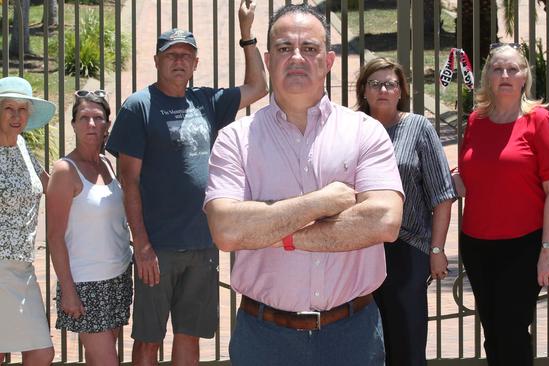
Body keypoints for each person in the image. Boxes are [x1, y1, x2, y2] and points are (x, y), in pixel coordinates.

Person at [203, 4, 404, 366]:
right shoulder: (234, 139)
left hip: (352, 336)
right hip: (264, 339)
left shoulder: (364, 132)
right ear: (267, 59)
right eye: (284, 48)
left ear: (328, 61)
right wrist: (322, 202)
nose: (297, 57)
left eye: (309, 48)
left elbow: (383, 222)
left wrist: (276, 232)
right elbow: (227, 229)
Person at [105, 1, 268, 364]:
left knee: (190, 336)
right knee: (148, 339)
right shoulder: (139, 106)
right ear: (157, 60)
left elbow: (259, 86)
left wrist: (246, 33)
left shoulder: (206, 101)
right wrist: (142, 244)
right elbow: (128, 181)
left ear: (195, 64)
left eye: (186, 55)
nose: (179, 61)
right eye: (171, 54)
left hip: (201, 244)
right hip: (158, 248)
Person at [454, 43, 549, 365]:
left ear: (524, 77)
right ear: (487, 75)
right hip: (476, 243)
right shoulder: (476, 120)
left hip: (524, 244)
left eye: (513, 69)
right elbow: (471, 171)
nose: (505, 75)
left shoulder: (540, 121)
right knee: (492, 329)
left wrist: (548, 251)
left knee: (512, 329)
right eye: (498, 68)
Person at [354, 57, 457, 366]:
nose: (383, 89)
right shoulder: (351, 129)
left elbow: (442, 194)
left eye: (391, 84)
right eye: (375, 84)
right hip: (360, 248)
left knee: (407, 344)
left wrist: (437, 249)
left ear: (401, 91)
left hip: (407, 248)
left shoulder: (418, 127)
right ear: (364, 91)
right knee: (365, 342)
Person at [46, 90, 132, 365]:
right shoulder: (64, 171)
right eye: (84, 118)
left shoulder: (107, 163)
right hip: (86, 284)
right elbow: (55, 237)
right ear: (73, 124)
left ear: (108, 124)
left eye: (98, 118)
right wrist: (68, 290)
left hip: (118, 276)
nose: (91, 124)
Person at [0, 76, 55, 365]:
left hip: (23, 267)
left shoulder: (21, 145)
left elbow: (49, 186)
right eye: (9, 108)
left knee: (41, 352)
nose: (16, 116)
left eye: (23, 109)